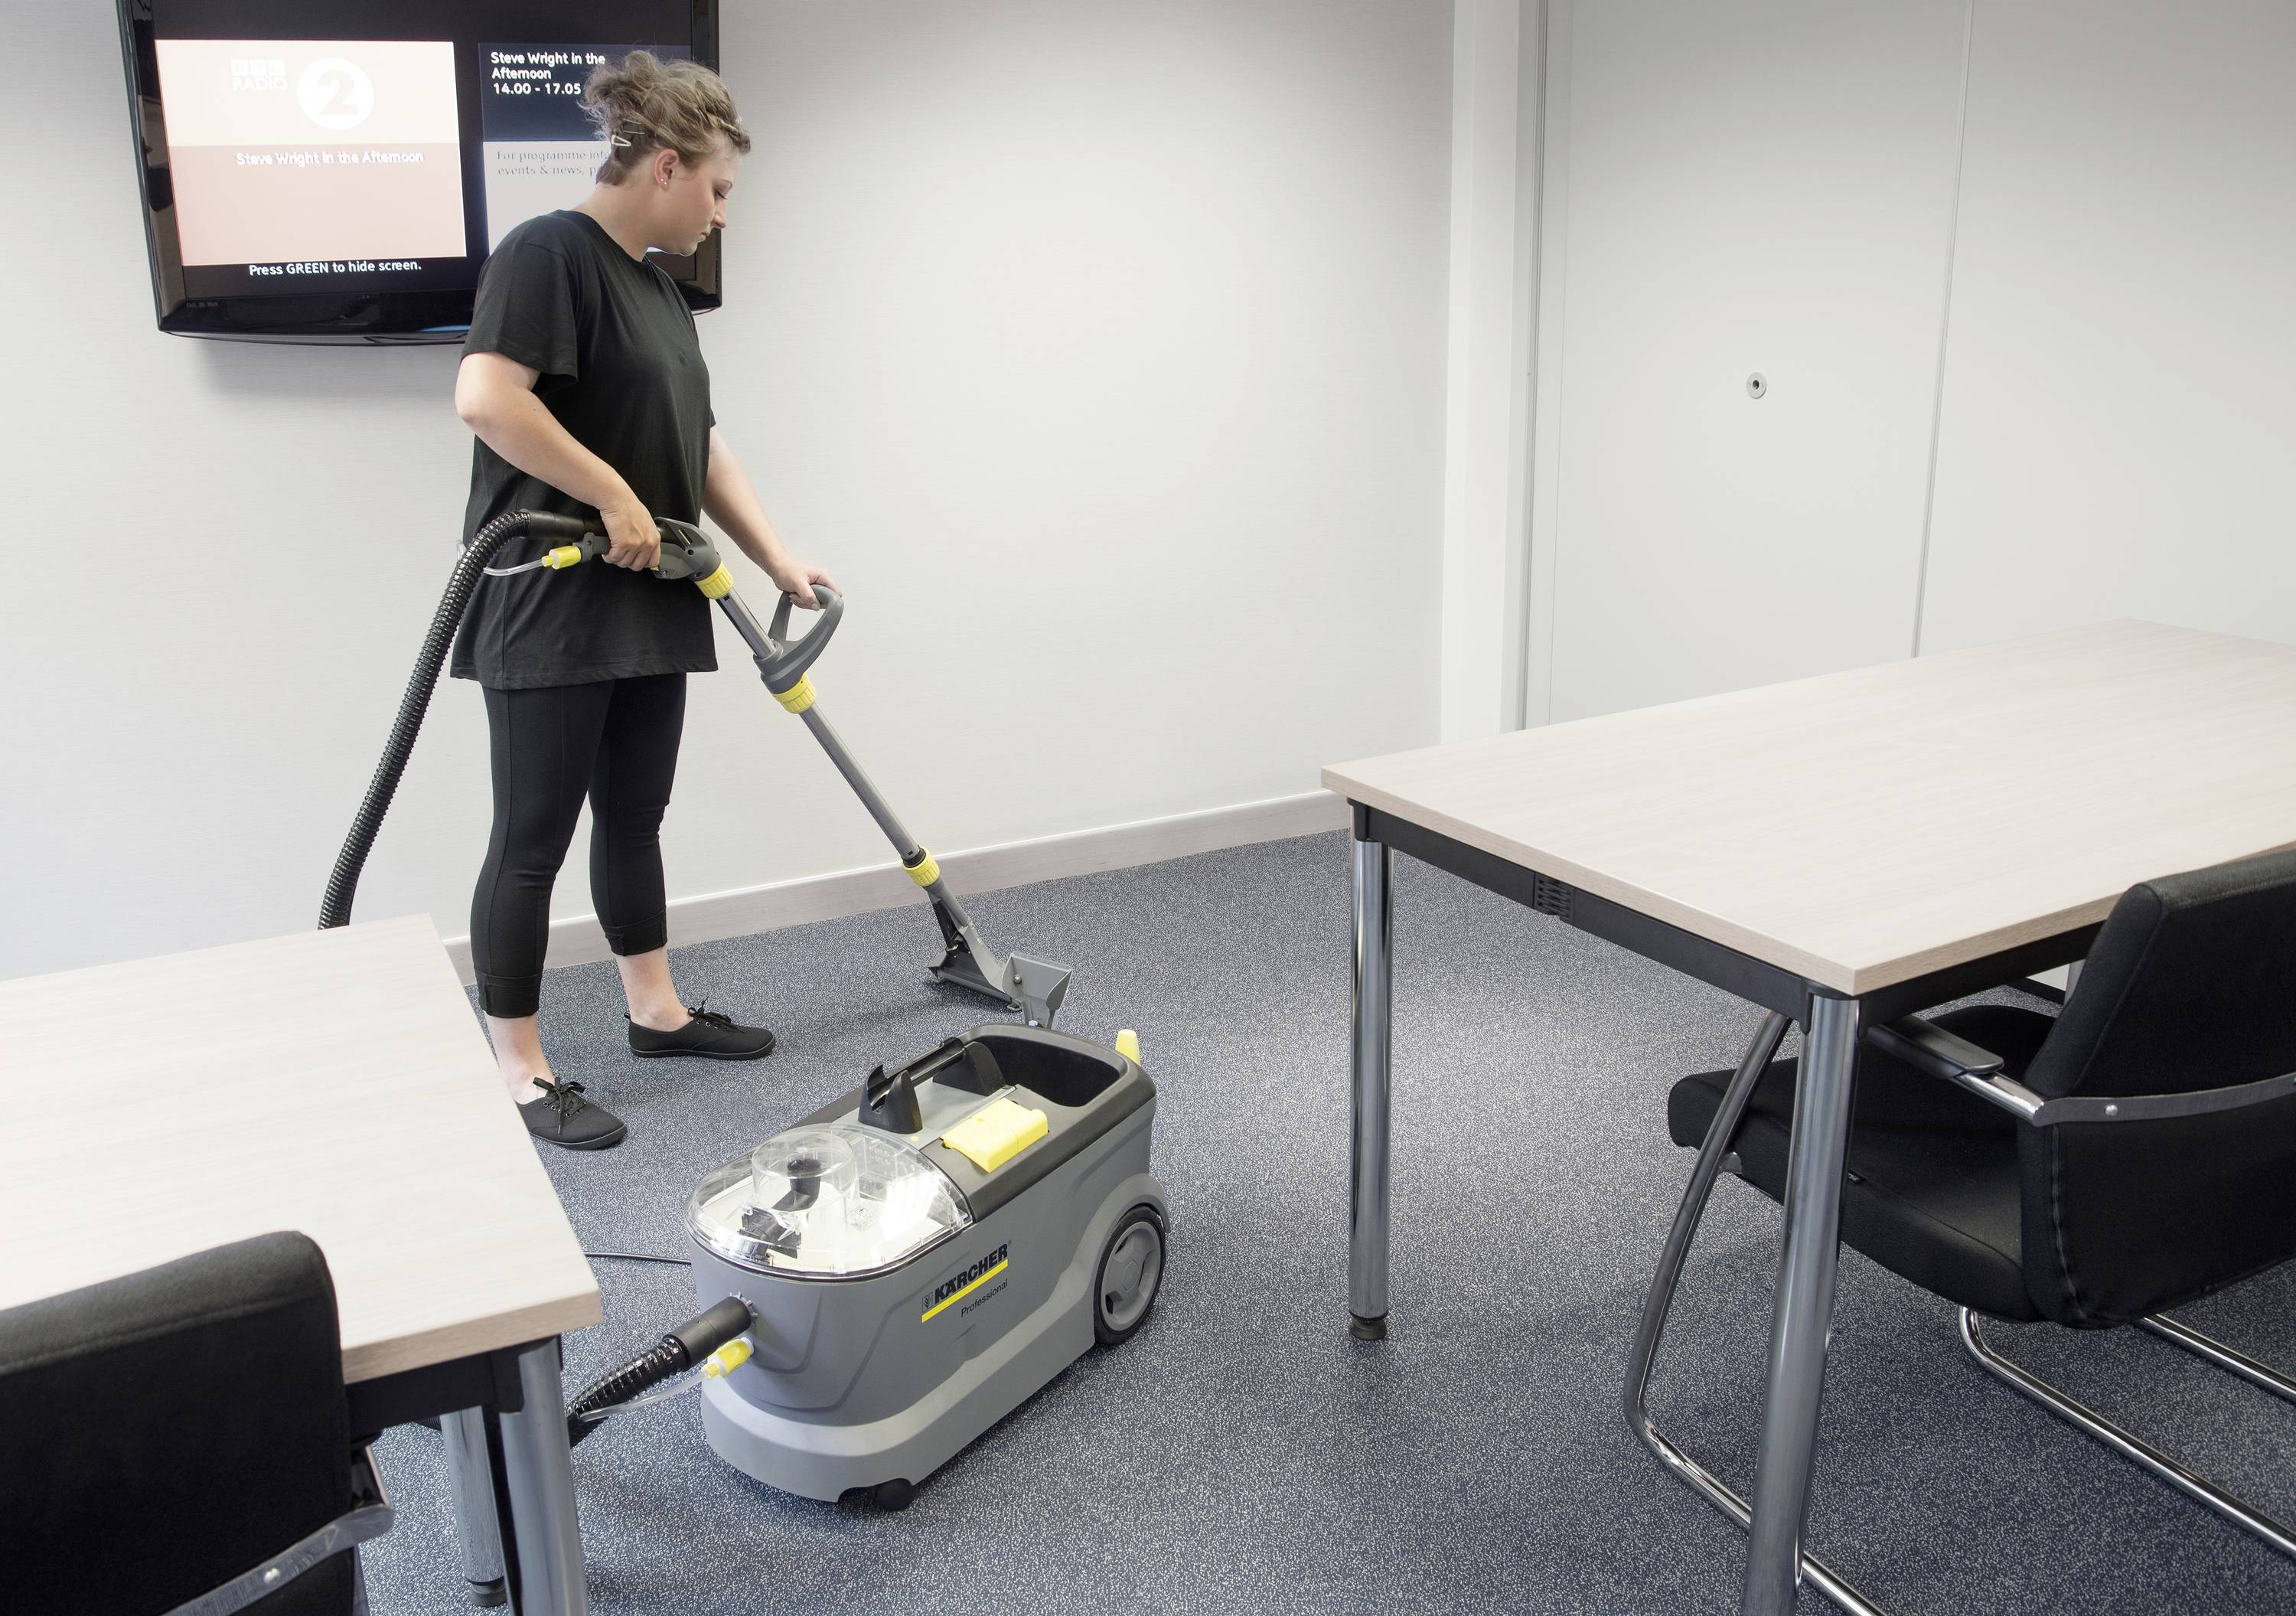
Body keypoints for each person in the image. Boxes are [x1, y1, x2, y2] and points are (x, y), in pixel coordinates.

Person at [451, 53, 833, 1150]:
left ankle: (656, 1011)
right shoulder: (546, 254)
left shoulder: (662, 291)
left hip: (651, 588)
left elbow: (699, 442)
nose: (719, 215)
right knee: (532, 839)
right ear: (665, 164)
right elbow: (486, 397)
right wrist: (614, 494)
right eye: (716, 190)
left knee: (634, 816)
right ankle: (518, 1070)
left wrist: (774, 556)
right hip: (552, 593)